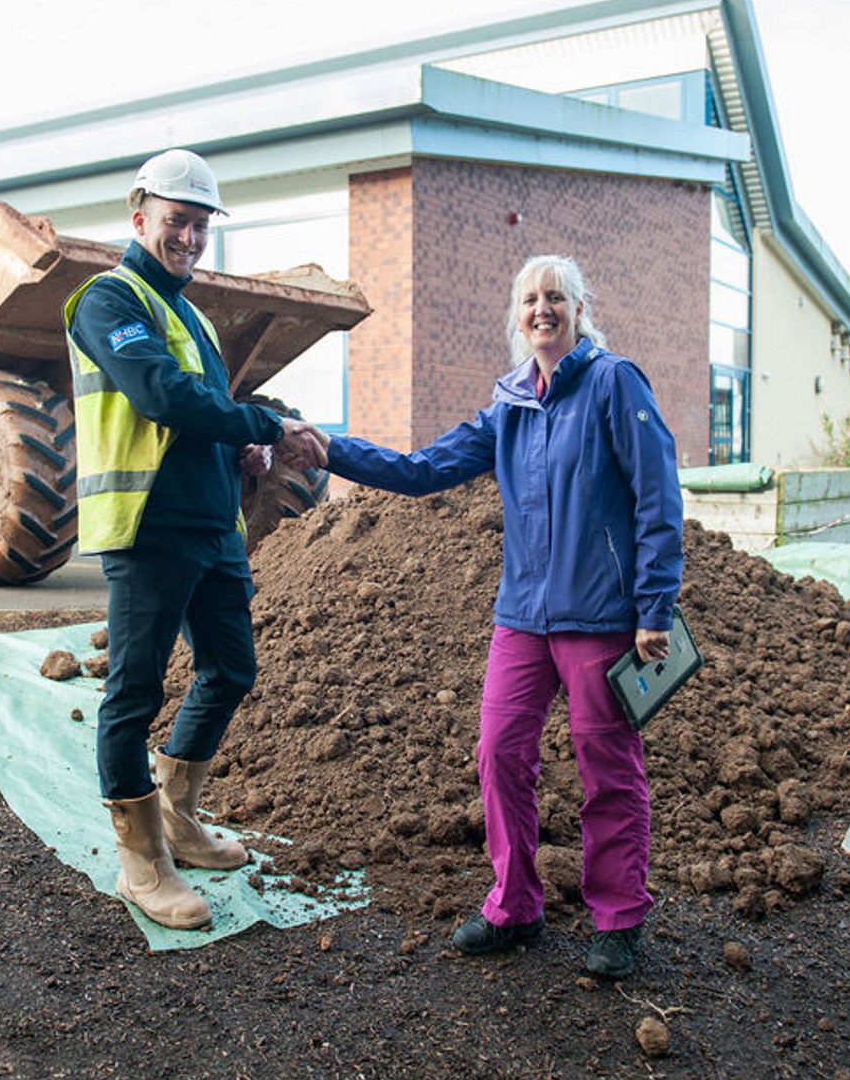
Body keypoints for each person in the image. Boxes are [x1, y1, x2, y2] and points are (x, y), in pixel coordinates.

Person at [317, 255, 683, 978]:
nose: (542, 309)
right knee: (499, 754)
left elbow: (657, 498)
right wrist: (329, 448)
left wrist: (654, 607)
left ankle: (618, 917)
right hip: (523, 616)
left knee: (606, 767)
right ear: (517, 317)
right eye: (529, 299)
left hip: (600, 617)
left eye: (555, 297)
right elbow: (423, 470)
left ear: (580, 309)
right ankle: (515, 905)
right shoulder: (510, 404)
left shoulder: (614, 383)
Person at [62, 147, 326, 930]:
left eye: (200, 224)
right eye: (178, 220)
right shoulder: (108, 302)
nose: (189, 237)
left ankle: (177, 814)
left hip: (213, 525)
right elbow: (157, 393)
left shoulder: (193, 315)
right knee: (134, 691)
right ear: (139, 215)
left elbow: (201, 410)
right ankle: (141, 862)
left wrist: (238, 449)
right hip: (148, 527)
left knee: (231, 669)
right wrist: (265, 423)